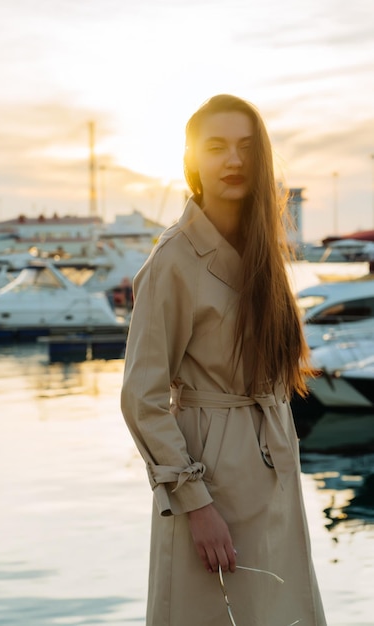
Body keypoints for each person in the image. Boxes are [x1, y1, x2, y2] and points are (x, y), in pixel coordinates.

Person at [121, 94, 326, 626]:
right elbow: (141, 398)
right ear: (193, 162)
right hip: (210, 477)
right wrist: (195, 504)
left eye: (247, 147)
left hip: (274, 465)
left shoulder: (265, 248)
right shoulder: (174, 259)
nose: (234, 160)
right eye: (216, 148)